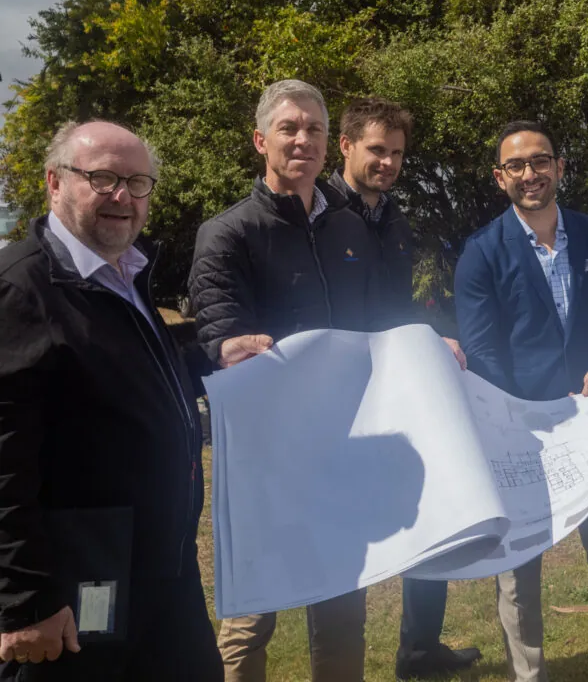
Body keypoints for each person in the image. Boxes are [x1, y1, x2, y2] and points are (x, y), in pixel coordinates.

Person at [0, 121, 222, 681]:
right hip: (77, 590)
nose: (122, 196)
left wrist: (207, 356)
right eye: (101, 178)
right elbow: (4, 463)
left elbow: (117, 371)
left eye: (137, 181)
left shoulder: (126, 273)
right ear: (54, 182)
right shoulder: (21, 290)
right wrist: (26, 602)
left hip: (161, 572)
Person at [454, 121, 588, 682]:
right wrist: (525, 415)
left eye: (541, 161)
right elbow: (482, 351)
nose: (531, 174)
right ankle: (529, 674)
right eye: (518, 166)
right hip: (521, 428)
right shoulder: (481, 252)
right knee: (519, 561)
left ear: (560, 167)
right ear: (501, 177)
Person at [188, 80, 380, 682]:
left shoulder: (352, 229)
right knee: (252, 610)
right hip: (263, 454)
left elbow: (376, 321)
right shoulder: (227, 233)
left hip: (343, 442)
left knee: (344, 600)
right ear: (260, 140)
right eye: (289, 128)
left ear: (329, 144)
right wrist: (224, 345)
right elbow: (216, 327)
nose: (302, 139)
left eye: (314, 129)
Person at [327, 96, 481, 680]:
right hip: (341, 397)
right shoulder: (315, 216)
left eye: (396, 153)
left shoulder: (394, 220)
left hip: (395, 383)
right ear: (345, 146)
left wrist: (427, 338)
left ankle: (419, 649)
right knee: (347, 534)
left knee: (429, 510)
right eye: (376, 150)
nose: (387, 162)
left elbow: (392, 307)